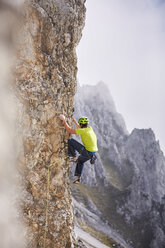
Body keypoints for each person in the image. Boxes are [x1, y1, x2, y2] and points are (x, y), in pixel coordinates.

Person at [59, 114, 98, 184]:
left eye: (80, 124)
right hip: (92, 152)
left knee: (70, 141)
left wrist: (64, 120)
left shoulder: (83, 131)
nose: (79, 125)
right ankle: (78, 178)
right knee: (80, 161)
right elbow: (80, 129)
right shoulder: (89, 129)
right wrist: (74, 121)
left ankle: (72, 157)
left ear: (81, 124)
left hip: (87, 152)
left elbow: (69, 130)